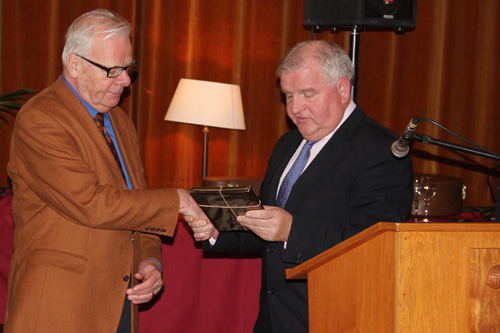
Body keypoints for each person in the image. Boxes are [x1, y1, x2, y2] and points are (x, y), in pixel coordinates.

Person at [187, 40, 413, 332]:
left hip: (336, 319)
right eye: (288, 95)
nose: (294, 108)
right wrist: (218, 229)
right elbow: (269, 230)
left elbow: (377, 244)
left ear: (343, 89)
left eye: (308, 94)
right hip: (274, 319)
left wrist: (292, 231)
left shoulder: (381, 150)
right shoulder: (289, 143)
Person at [4, 9, 206, 333]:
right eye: (113, 70)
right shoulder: (40, 119)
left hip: (119, 304)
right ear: (74, 65)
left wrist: (149, 260)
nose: (126, 81)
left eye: (129, 68)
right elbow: (93, 204)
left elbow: (137, 203)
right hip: (59, 307)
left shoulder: (121, 121)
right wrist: (177, 200)